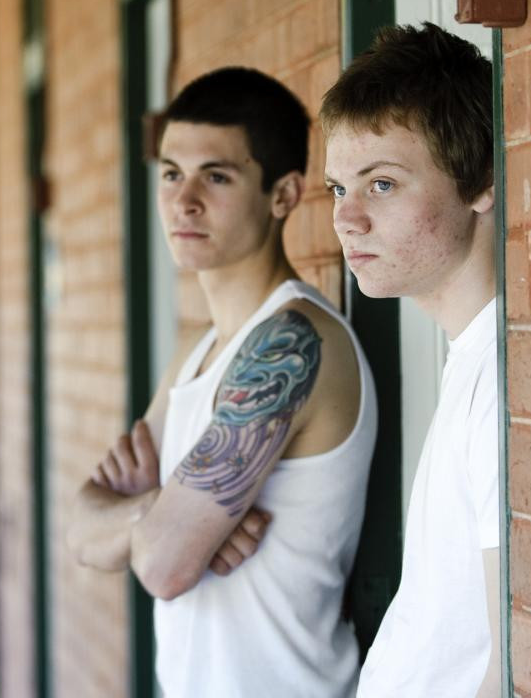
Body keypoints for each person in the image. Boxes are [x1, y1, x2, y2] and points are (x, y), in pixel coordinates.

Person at [66, 66, 378, 697]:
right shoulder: (196, 350)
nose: (183, 201)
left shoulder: (292, 342)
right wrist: (159, 511)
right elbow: (79, 533)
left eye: (216, 176)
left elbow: (162, 566)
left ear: (283, 195)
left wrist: (165, 528)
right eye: (171, 174)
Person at [320, 22, 501, 697]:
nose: (347, 219)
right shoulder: (471, 360)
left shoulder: (504, 384)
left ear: (480, 181)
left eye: (382, 185)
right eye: (338, 189)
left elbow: (512, 667)